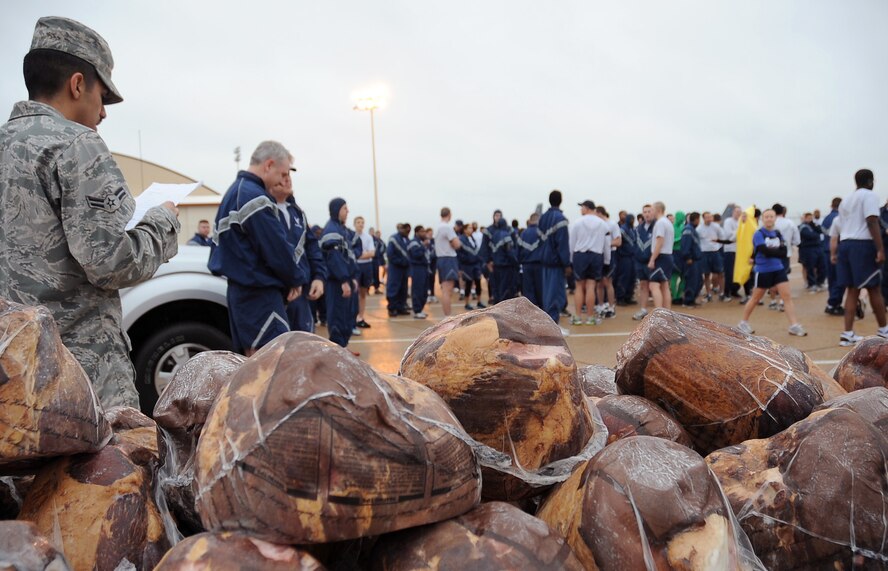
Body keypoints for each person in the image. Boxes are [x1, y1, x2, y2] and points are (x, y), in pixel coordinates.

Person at [0, 16, 179, 408]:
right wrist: (162, 220)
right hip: (78, 381)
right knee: (105, 470)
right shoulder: (76, 145)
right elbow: (113, 263)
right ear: (77, 84)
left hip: (9, 376)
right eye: (103, 96)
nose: (103, 113)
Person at [210, 141, 302, 357]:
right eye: (282, 173)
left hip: (243, 294)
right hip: (259, 296)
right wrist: (295, 278)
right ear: (269, 165)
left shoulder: (235, 192)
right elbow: (276, 249)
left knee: (252, 364)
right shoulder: (254, 197)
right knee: (269, 366)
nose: (283, 180)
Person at [834, 169, 888, 346]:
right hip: (862, 245)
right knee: (874, 288)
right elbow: (871, 221)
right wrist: (880, 249)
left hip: (846, 244)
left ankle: (847, 334)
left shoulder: (845, 201)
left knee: (852, 290)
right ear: (871, 181)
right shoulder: (870, 196)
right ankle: (884, 330)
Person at [737, 209, 807, 337]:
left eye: (771, 216)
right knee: (756, 298)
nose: (769, 218)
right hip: (763, 270)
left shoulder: (777, 233)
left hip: (778, 269)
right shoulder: (759, 234)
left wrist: (774, 251)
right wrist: (776, 251)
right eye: (767, 216)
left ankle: (794, 325)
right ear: (763, 219)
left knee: (786, 297)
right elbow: (764, 251)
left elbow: (784, 251)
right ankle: (743, 323)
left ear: (775, 218)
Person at [270, 173, 326, 334]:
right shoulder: (264, 210)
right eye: (282, 175)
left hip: (301, 295)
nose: (287, 179)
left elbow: (312, 248)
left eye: (288, 175)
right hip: (277, 295)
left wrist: (318, 277)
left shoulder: (297, 213)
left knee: (304, 348)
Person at [320, 198, 359, 352]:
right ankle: (337, 352)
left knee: (347, 316)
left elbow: (349, 256)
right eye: (344, 208)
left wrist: (352, 277)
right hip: (336, 282)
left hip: (346, 279)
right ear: (336, 210)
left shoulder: (342, 229)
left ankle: (344, 349)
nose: (347, 211)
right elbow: (334, 258)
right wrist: (343, 280)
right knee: (337, 317)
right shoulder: (332, 230)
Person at [569, 200, 609, 325]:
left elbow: (572, 242)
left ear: (586, 208)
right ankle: (590, 317)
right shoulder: (603, 224)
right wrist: (607, 260)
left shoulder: (577, 222)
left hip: (580, 255)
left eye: (582, 207)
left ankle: (578, 316)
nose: (581, 210)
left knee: (579, 286)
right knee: (591, 286)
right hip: (596, 255)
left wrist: (571, 259)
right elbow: (606, 244)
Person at [539, 190, 571, 335]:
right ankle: (553, 328)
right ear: (561, 200)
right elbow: (562, 244)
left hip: (544, 261)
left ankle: (548, 325)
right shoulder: (561, 219)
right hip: (555, 263)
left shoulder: (543, 218)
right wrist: (567, 264)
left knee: (546, 295)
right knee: (555, 295)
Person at [434, 207, 462, 316]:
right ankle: (447, 316)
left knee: (446, 289)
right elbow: (457, 244)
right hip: (448, 259)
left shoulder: (438, 227)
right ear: (449, 215)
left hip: (441, 259)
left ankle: (447, 315)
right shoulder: (447, 227)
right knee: (447, 290)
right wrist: (455, 243)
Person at [647, 202, 675, 309]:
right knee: (664, 285)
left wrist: (652, 259)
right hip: (668, 255)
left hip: (661, 256)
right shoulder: (668, 222)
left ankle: (659, 312)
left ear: (657, 210)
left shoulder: (660, 223)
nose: (651, 212)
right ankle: (667, 312)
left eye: (652, 210)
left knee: (653, 285)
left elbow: (660, 241)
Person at [595, 206, 621, 318]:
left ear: (600, 213)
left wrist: (606, 244)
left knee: (608, 282)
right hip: (599, 255)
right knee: (599, 282)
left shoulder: (612, 224)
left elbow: (618, 241)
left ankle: (611, 306)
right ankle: (601, 305)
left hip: (610, 255)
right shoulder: (597, 225)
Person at [489, 213, 519, 302]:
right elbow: (510, 252)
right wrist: (515, 262)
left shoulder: (494, 235)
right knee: (505, 290)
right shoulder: (506, 235)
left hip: (495, 266)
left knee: (497, 289)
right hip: (505, 267)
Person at [822, 197, 844, 315]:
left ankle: (832, 302)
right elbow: (835, 237)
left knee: (831, 279)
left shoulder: (825, 218)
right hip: (836, 251)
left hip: (825, 250)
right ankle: (833, 304)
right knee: (840, 279)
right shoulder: (839, 218)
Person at [633, 204, 655, 320]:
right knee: (643, 285)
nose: (647, 214)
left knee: (655, 286)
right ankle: (643, 309)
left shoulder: (657, 226)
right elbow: (635, 244)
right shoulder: (638, 228)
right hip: (640, 262)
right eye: (645, 212)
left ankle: (659, 312)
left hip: (653, 262)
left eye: (649, 211)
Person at [352, 216, 375, 328]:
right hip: (355, 266)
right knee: (353, 294)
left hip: (366, 267)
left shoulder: (368, 237)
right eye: (358, 222)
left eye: (362, 222)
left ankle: (360, 317)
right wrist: (361, 255)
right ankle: (353, 318)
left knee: (363, 293)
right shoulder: (351, 236)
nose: (360, 224)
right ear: (354, 224)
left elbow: (372, 253)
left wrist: (357, 255)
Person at [697, 211, 724, 302]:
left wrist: (717, 246)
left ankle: (721, 293)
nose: (709, 219)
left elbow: (722, 237)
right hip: (704, 253)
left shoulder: (716, 226)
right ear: (703, 218)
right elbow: (697, 241)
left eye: (710, 217)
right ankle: (708, 294)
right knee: (706, 274)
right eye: (707, 217)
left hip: (715, 252)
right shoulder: (699, 228)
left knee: (720, 273)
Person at [518, 212, 543, 309]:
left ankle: (530, 312)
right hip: (539, 265)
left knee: (528, 290)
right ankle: (541, 312)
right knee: (540, 289)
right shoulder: (541, 233)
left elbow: (518, 250)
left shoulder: (523, 233)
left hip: (526, 265)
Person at [386, 223, 412, 317]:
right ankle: (392, 308)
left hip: (404, 269)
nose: (408, 231)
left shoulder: (407, 240)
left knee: (403, 288)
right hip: (395, 268)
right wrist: (401, 261)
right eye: (406, 229)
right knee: (393, 288)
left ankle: (401, 307)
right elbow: (390, 254)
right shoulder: (393, 238)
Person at [457, 222, 484, 310]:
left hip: (475, 264)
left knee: (478, 283)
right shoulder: (461, 239)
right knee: (468, 284)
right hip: (467, 265)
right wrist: (466, 260)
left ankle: (479, 302)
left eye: (472, 228)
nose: (471, 229)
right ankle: (466, 303)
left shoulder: (473, 238)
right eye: (469, 228)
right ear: (465, 230)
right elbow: (459, 253)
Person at [679, 212, 703, 307]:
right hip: (691, 260)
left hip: (696, 260)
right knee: (691, 281)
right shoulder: (688, 230)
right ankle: (687, 301)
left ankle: (692, 299)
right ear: (696, 219)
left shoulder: (692, 229)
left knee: (698, 281)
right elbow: (685, 246)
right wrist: (688, 257)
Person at [798, 212, 826, 292]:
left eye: (811, 218)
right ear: (805, 218)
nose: (810, 219)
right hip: (808, 249)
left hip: (818, 247)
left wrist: (815, 227)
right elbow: (809, 235)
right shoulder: (802, 226)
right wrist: (816, 234)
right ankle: (811, 284)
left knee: (822, 266)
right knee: (810, 267)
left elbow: (822, 231)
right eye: (808, 218)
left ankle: (820, 282)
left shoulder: (815, 225)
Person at [407, 225, 430, 318]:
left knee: (424, 290)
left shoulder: (422, 242)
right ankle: (417, 310)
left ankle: (420, 309)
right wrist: (423, 246)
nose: (424, 233)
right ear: (416, 233)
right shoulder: (414, 243)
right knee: (418, 290)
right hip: (417, 268)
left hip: (425, 268)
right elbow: (416, 254)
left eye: (424, 231)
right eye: (422, 231)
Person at [615, 211, 637, 305]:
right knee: (624, 277)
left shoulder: (632, 230)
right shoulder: (622, 230)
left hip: (632, 257)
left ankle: (628, 296)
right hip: (624, 257)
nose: (632, 221)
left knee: (632, 278)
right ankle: (620, 297)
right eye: (631, 219)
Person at [722, 206, 742, 301]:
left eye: (740, 212)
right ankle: (726, 293)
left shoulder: (741, 222)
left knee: (738, 272)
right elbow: (729, 237)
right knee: (729, 273)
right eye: (737, 211)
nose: (738, 213)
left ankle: (734, 290)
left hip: (739, 250)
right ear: (733, 212)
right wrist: (739, 231)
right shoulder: (728, 221)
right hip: (729, 250)